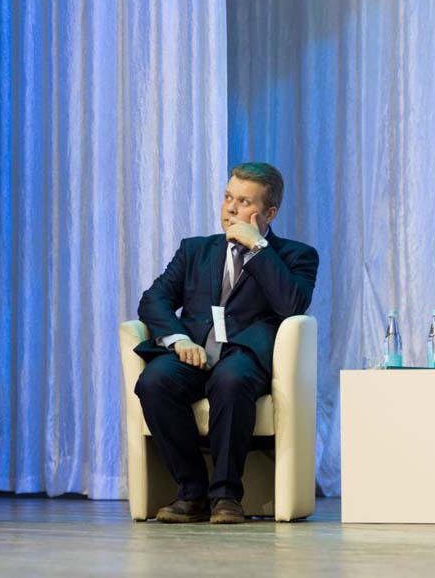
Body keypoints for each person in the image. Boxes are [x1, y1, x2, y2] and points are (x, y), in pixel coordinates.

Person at [133, 162, 318, 524]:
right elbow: (153, 300)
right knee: (154, 381)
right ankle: (192, 493)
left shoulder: (296, 255)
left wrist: (259, 248)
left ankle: (226, 496)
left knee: (230, 380)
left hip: (244, 357)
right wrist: (179, 339)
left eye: (244, 202)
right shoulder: (195, 250)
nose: (231, 209)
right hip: (194, 353)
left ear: (269, 213)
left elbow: (292, 305)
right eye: (228, 197)